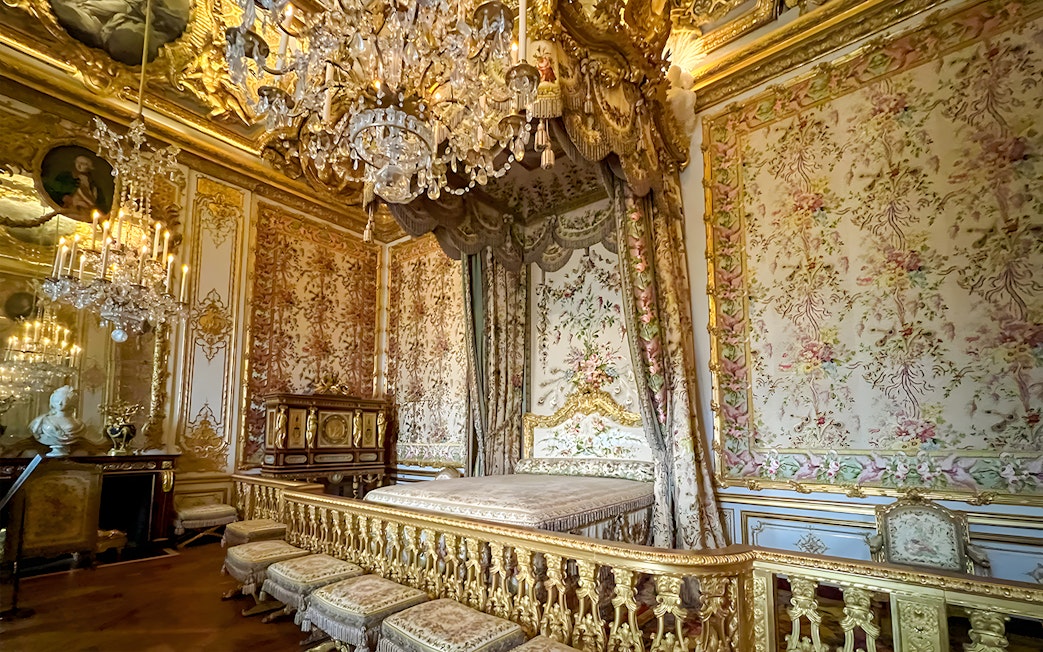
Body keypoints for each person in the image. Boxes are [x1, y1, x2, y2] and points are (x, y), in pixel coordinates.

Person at [29, 385, 88, 457]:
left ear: (72, 402)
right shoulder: (40, 422)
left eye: (64, 401)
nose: (59, 403)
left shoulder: (79, 424)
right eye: (56, 401)